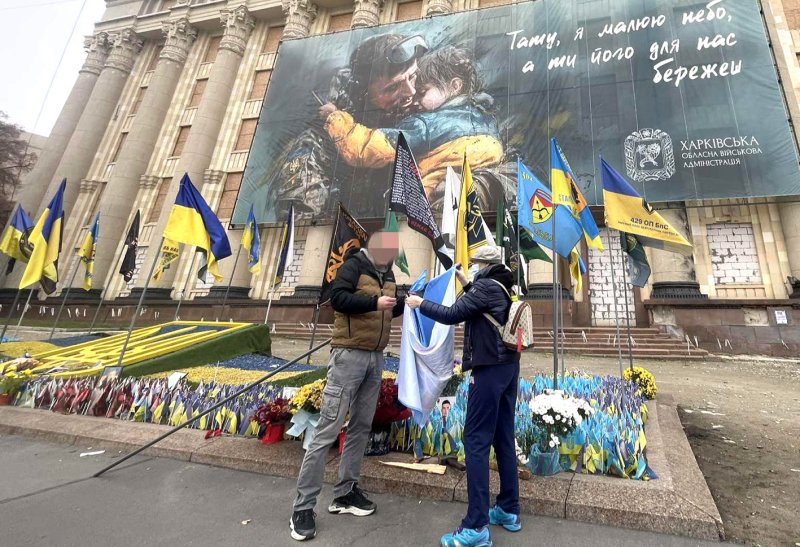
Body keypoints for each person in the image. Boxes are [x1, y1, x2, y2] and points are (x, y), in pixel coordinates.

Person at [290, 230, 405, 542]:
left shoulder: (388, 273)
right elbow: (337, 299)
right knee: (327, 429)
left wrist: (406, 303)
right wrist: (374, 302)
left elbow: (389, 309)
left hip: (375, 357)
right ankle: (303, 507)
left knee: (361, 427)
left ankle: (345, 493)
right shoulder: (353, 265)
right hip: (348, 355)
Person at [406, 246, 521, 547]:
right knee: (503, 437)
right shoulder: (502, 286)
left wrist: (420, 303)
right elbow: (480, 307)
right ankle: (508, 509)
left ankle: (476, 525)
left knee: (475, 441)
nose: (473, 268)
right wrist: (464, 282)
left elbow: (453, 314)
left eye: (475, 264)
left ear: (483, 264)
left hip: (488, 369)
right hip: (508, 368)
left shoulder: (486, 286)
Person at [271, 34, 428, 220]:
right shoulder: (314, 150)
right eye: (392, 88)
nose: (411, 91)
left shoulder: (425, 112)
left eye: (413, 76)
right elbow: (299, 226)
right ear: (363, 95)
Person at [320, 46, 503, 199]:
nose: (415, 99)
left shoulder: (424, 125)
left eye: (422, 92)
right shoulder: (485, 118)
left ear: (454, 86)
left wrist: (336, 118)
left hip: (430, 206)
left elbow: (364, 149)